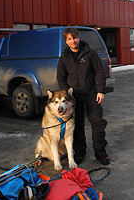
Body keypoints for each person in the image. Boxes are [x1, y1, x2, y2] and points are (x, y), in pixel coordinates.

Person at [57, 27, 110, 165]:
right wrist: (68, 97)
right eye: (69, 39)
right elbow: (61, 79)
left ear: (78, 38)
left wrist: (101, 90)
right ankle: (80, 153)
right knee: (77, 126)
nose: (73, 41)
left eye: (75, 38)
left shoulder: (90, 53)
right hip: (74, 98)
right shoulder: (64, 58)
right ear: (66, 41)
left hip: (92, 94)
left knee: (98, 123)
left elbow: (100, 71)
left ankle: (101, 154)